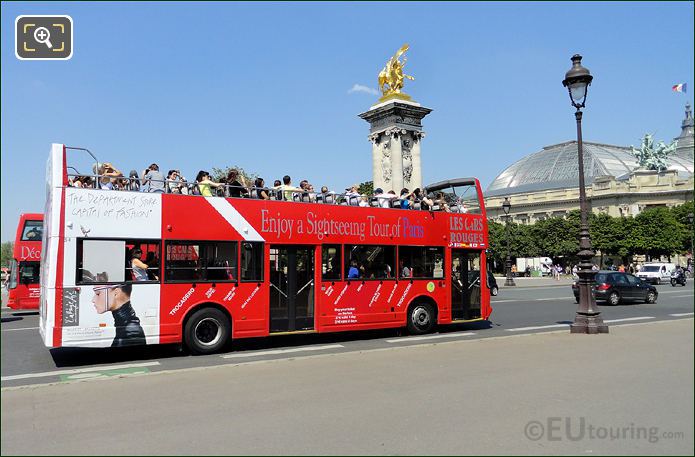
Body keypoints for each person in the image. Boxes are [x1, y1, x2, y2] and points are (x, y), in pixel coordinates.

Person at [91, 277, 146, 347]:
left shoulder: (131, 331)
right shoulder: (125, 326)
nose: (93, 300)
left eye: (98, 294)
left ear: (116, 292)